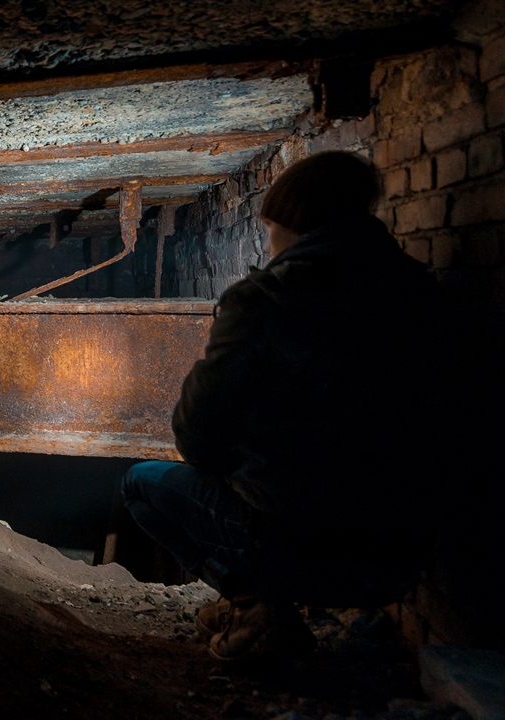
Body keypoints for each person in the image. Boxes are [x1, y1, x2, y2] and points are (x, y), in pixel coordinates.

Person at [120, 151, 461, 665]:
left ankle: (255, 606)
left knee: (141, 484)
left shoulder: (266, 298)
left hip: (303, 550)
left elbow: (195, 437)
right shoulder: (420, 291)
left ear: (291, 223)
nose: (267, 240)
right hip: (402, 559)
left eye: (270, 227)